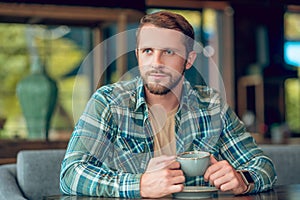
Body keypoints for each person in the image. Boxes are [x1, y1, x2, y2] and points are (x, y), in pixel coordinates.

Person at [60, 11, 276, 198]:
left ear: (189, 60)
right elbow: (71, 174)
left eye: (169, 52)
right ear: (138, 56)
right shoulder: (108, 102)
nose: (156, 63)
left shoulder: (212, 106)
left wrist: (242, 179)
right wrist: (140, 184)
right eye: (148, 51)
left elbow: (263, 166)